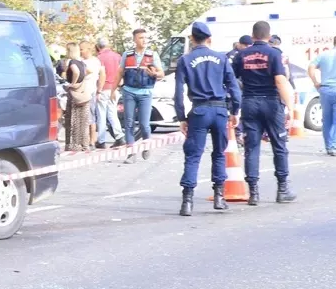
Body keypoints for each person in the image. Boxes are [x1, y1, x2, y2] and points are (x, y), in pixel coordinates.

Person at [174, 22, 242, 216]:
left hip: (200, 110)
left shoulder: (185, 60)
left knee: (193, 155)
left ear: (192, 39)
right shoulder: (221, 58)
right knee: (219, 153)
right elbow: (234, 88)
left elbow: (178, 93)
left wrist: (181, 117)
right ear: (209, 39)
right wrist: (235, 111)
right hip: (220, 111)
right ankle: (219, 197)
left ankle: (187, 201)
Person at [231, 21, 297, 205]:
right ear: (269, 36)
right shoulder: (275, 54)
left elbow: (232, 78)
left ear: (252, 36)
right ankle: (282, 189)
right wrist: (290, 108)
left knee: (252, 147)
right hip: (271, 102)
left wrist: (235, 104)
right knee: (279, 145)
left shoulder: (242, 55)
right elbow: (280, 81)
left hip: (250, 102)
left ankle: (253, 192)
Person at [118, 29, 163, 163]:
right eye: (141, 38)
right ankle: (131, 154)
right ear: (135, 40)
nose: (144, 40)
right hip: (129, 91)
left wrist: (155, 74)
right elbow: (120, 72)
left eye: (145, 38)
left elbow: (161, 73)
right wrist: (112, 90)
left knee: (144, 124)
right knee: (129, 122)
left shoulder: (152, 55)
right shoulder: (127, 55)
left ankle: (146, 146)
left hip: (145, 93)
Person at [62, 44, 93, 152]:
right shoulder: (82, 63)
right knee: (83, 121)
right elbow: (89, 71)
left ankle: (73, 144)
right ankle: (84, 144)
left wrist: (73, 83)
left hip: (75, 94)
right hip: (83, 93)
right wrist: (82, 81)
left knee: (72, 119)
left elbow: (75, 72)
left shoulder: (72, 62)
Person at [95, 38, 125, 149]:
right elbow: (122, 71)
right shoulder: (118, 57)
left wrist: (98, 89)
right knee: (112, 113)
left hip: (104, 88)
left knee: (101, 115)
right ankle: (119, 136)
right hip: (114, 89)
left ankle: (101, 140)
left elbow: (101, 75)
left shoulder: (99, 58)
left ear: (98, 47)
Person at [79, 41, 106, 149]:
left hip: (90, 92)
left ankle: (92, 141)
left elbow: (102, 75)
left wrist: (99, 90)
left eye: (82, 49)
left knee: (90, 117)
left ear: (88, 49)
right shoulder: (80, 60)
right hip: (80, 92)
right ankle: (83, 140)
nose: (80, 51)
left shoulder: (95, 61)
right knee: (81, 117)